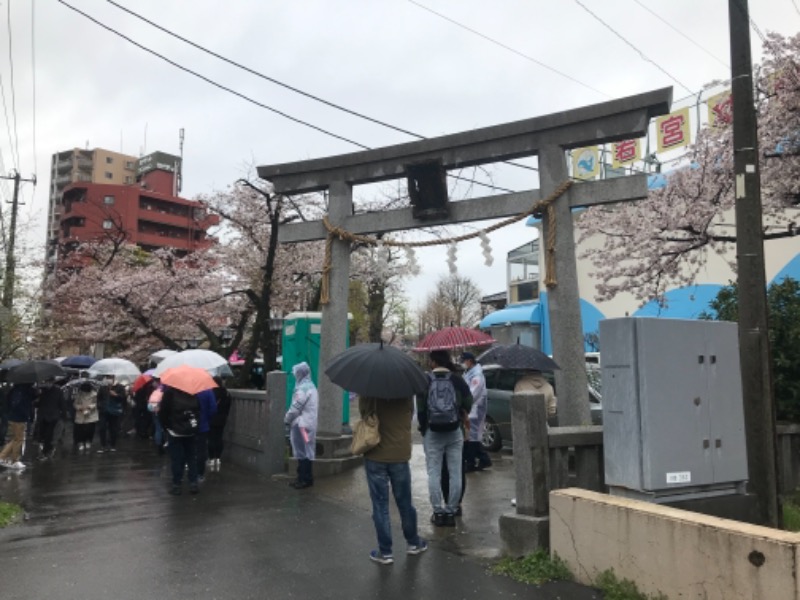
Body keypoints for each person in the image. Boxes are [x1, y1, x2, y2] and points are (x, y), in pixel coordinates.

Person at [359, 394, 428, 565]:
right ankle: (413, 543)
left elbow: (364, 414)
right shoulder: (404, 392)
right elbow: (410, 415)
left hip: (375, 453)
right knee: (405, 502)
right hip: (400, 454)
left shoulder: (369, 392)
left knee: (380, 504)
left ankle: (385, 552)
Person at [417, 350, 472, 527]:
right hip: (454, 430)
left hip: (432, 431)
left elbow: (420, 409)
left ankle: (438, 512)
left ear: (433, 362)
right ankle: (451, 511)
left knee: (434, 472)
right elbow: (469, 401)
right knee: (455, 471)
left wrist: (424, 427)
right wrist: (460, 412)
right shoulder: (457, 379)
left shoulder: (425, 381)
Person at [159, 385, 201, 495]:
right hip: (191, 430)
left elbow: (163, 412)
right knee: (191, 457)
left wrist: (166, 427)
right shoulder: (193, 392)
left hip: (175, 431)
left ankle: (177, 485)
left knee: (177, 459)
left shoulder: (169, 393)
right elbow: (198, 411)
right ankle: (193, 483)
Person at [284, 362, 318, 489]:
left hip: (301, 425)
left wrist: (287, 418)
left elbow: (296, 407)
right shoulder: (312, 387)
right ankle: (307, 478)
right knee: (308, 450)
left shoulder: (302, 389)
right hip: (309, 424)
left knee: (301, 451)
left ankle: (303, 479)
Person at [460, 352, 492, 471]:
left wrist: (464, 403)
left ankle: (471, 463)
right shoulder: (469, 373)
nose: (462, 363)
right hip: (471, 407)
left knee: (472, 436)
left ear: (469, 360)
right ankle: (483, 459)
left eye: (464, 361)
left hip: (475, 407)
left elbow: (473, 392)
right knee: (471, 436)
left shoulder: (477, 375)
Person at [0, 383, 37, 470]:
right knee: (19, 439)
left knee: (16, 438)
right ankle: (14, 460)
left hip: (13, 417)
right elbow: (19, 404)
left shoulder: (15, 389)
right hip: (19, 418)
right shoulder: (23, 391)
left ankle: (3, 456)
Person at [35, 378, 67, 460]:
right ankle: (48, 450)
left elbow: (62, 404)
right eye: (46, 381)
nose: (47, 383)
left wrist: (63, 416)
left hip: (53, 417)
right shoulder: (42, 391)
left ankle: (45, 453)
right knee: (42, 435)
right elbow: (38, 403)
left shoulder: (58, 391)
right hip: (43, 416)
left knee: (49, 436)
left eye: (49, 382)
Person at [96, 376, 127, 453]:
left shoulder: (119, 387)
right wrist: (100, 406)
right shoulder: (103, 387)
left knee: (113, 429)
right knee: (102, 428)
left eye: (110, 377)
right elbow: (98, 398)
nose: (108, 379)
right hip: (104, 411)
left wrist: (116, 395)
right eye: (107, 377)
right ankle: (103, 445)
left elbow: (123, 398)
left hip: (114, 411)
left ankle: (112, 445)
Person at [208, 376, 232, 470]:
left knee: (211, 438)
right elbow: (228, 407)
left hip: (212, 418)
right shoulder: (226, 393)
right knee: (219, 437)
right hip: (222, 418)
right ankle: (218, 457)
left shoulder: (211, 393)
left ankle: (211, 458)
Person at [194, 387, 218, 482]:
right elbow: (213, 408)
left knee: (190, 450)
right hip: (203, 426)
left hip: (187, 426)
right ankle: (200, 473)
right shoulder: (208, 391)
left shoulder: (187, 390)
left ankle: (190, 471)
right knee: (201, 450)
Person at [73, 380, 99, 452]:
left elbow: (96, 403)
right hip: (80, 413)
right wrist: (80, 407)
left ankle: (89, 441)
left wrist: (89, 407)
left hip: (91, 413)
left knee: (90, 429)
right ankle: (80, 442)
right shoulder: (79, 394)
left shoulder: (94, 394)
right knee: (80, 429)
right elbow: (75, 404)